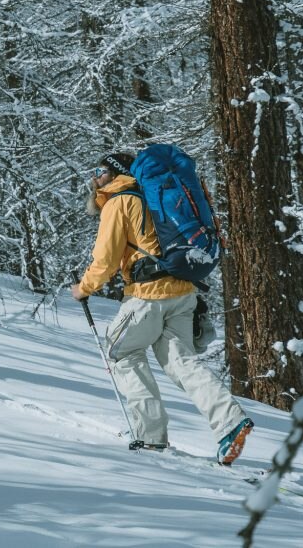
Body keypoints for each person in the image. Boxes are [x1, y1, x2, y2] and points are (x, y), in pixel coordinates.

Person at [72, 152, 253, 465]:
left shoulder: (120, 201)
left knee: (122, 352)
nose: (94, 176)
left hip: (148, 294)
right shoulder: (155, 197)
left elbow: (105, 260)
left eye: (100, 170)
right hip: (184, 291)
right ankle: (230, 422)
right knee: (181, 362)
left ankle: (151, 436)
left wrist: (83, 288)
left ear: (114, 174)